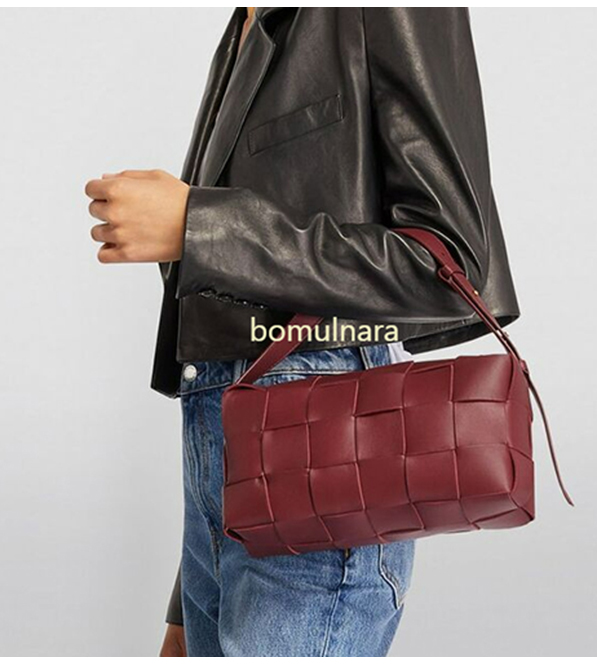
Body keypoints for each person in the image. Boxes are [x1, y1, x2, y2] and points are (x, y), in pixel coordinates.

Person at [85, 7, 520, 657]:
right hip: (225, 464)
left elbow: (449, 264)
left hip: (326, 452)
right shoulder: (248, 21)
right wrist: (194, 584)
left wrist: (201, 225)